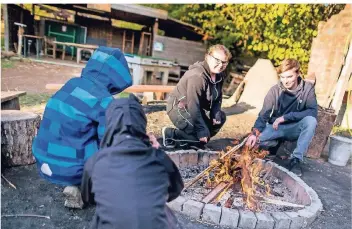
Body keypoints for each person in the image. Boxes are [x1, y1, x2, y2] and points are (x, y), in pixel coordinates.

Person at [32, 46, 133, 207]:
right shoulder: (103, 100)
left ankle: (75, 186)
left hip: (44, 159)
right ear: (116, 77)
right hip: (72, 168)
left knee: (77, 134)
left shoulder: (71, 85)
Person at [81, 94, 184, 229]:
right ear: (142, 121)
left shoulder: (95, 162)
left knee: (100, 216)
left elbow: (88, 198)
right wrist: (158, 150)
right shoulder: (158, 157)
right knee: (166, 214)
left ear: (110, 123)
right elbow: (176, 189)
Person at [246, 59, 318, 176]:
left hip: (294, 128)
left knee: (311, 121)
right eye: (282, 77)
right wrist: (254, 133)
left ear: (298, 74)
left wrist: (286, 117)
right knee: (253, 142)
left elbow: (313, 111)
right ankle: (274, 145)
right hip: (275, 128)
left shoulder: (307, 88)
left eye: (289, 77)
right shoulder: (274, 90)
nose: (285, 81)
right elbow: (264, 114)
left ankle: (296, 160)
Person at [162, 44, 231, 150]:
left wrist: (215, 113)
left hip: (195, 109)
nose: (220, 64)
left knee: (220, 117)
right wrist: (201, 129)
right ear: (207, 57)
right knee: (200, 134)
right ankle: (171, 134)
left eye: (224, 62)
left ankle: (192, 140)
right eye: (217, 60)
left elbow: (218, 96)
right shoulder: (197, 76)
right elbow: (193, 104)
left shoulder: (219, 75)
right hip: (179, 107)